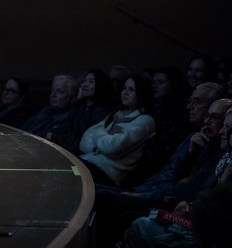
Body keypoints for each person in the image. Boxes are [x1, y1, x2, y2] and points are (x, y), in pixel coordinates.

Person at [91, 83, 227, 246]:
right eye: (190, 101)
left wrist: (142, 195)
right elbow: (173, 177)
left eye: (196, 102)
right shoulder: (193, 138)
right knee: (91, 189)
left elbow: (181, 190)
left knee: (101, 198)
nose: (189, 107)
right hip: (150, 191)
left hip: (164, 203)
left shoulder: (219, 153)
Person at [122, 107, 232, 247]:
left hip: (202, 232)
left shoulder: (221, 158)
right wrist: (191, 155)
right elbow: (181, 182)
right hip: (183, 213)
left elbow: (217, 216)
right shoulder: (220, 156)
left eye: (227, 128)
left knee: (137, 222)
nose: (222, 131)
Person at [78, 74, 156, 187]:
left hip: (106, 172)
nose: (125, 92)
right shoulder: (117, 114)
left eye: (131, 90)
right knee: (63, 166)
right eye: (124, 88)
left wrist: (99, 135)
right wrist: (98, 148)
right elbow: (84, 140)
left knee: (68, 171)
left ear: (141, 93)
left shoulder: (145, 120)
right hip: (89, 162)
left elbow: (113, 147)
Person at [51, 68, 112, 155]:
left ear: (100, 85)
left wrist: (54, 137)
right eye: (84, 81)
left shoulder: (101, 112)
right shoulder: (79, 106)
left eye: (91, 82)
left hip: (81, 154)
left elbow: (83, 141)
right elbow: (65, 129)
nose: (84, 85)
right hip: (65, 149)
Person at [21, 74, 79, 142]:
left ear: (71, 97)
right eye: (52, 90)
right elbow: (22, 130)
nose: (53, 95)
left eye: (60, 92)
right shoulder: (44, 111)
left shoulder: (71, 119)